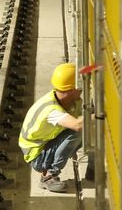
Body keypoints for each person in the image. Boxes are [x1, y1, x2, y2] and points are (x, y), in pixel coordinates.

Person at [19, 62, 83, 193]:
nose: (83, 89)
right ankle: (48, 176)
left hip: (44, 146)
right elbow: (77, 125)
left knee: (85, 128)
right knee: (76, 132)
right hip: (37, 157)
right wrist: (101, 114)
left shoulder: (65, 99)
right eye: (80, 87)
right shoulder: (51, 110)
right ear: (71, 90)